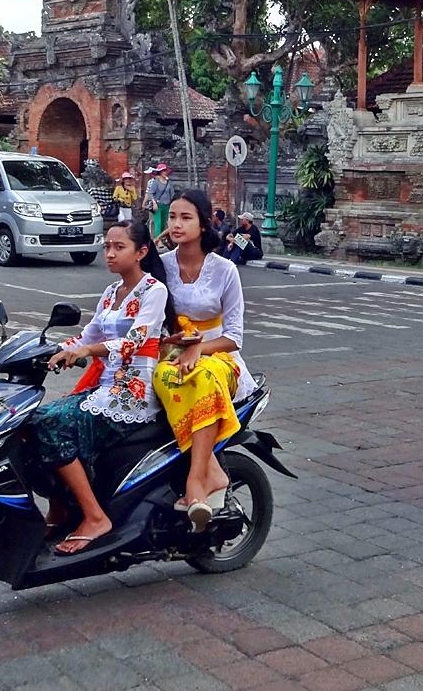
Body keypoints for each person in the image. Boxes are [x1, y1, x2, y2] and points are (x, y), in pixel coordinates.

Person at [29, 220, 176, 554]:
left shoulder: (154, 291)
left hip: (132, 393)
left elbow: (134, 341)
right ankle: (60, 506)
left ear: (141, 252)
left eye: (119, 247)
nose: (109, 253)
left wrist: (86, 351)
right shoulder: (111, 293)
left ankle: (95, 517)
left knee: (53, 424)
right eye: (107, 246)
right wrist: (49, 351)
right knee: (32, 421)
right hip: (105, 387)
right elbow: (88, 335)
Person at [152, 189, 255, 531]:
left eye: (186, 218)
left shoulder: (225, 270)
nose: (177, 224)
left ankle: (195, 480)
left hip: (219, 355)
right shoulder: (161, 266)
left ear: (204, 223)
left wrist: (199, 348)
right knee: (163, 378)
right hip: (172, 352)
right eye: (173, 217)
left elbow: (234, 336)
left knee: (204, 377)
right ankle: (212, 470)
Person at [143, 164, 174, 239]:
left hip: (166, 205)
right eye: (163, 171)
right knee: (158, 222)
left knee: (164, 222)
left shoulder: (168, 182)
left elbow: (172, 193)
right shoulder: (156, 182)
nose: (165, 172)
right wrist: (154, 202)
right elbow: (150, 193)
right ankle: (157, 239)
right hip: (158, 204)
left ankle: (162, 238)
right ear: (160, 172)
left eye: (165, 171)